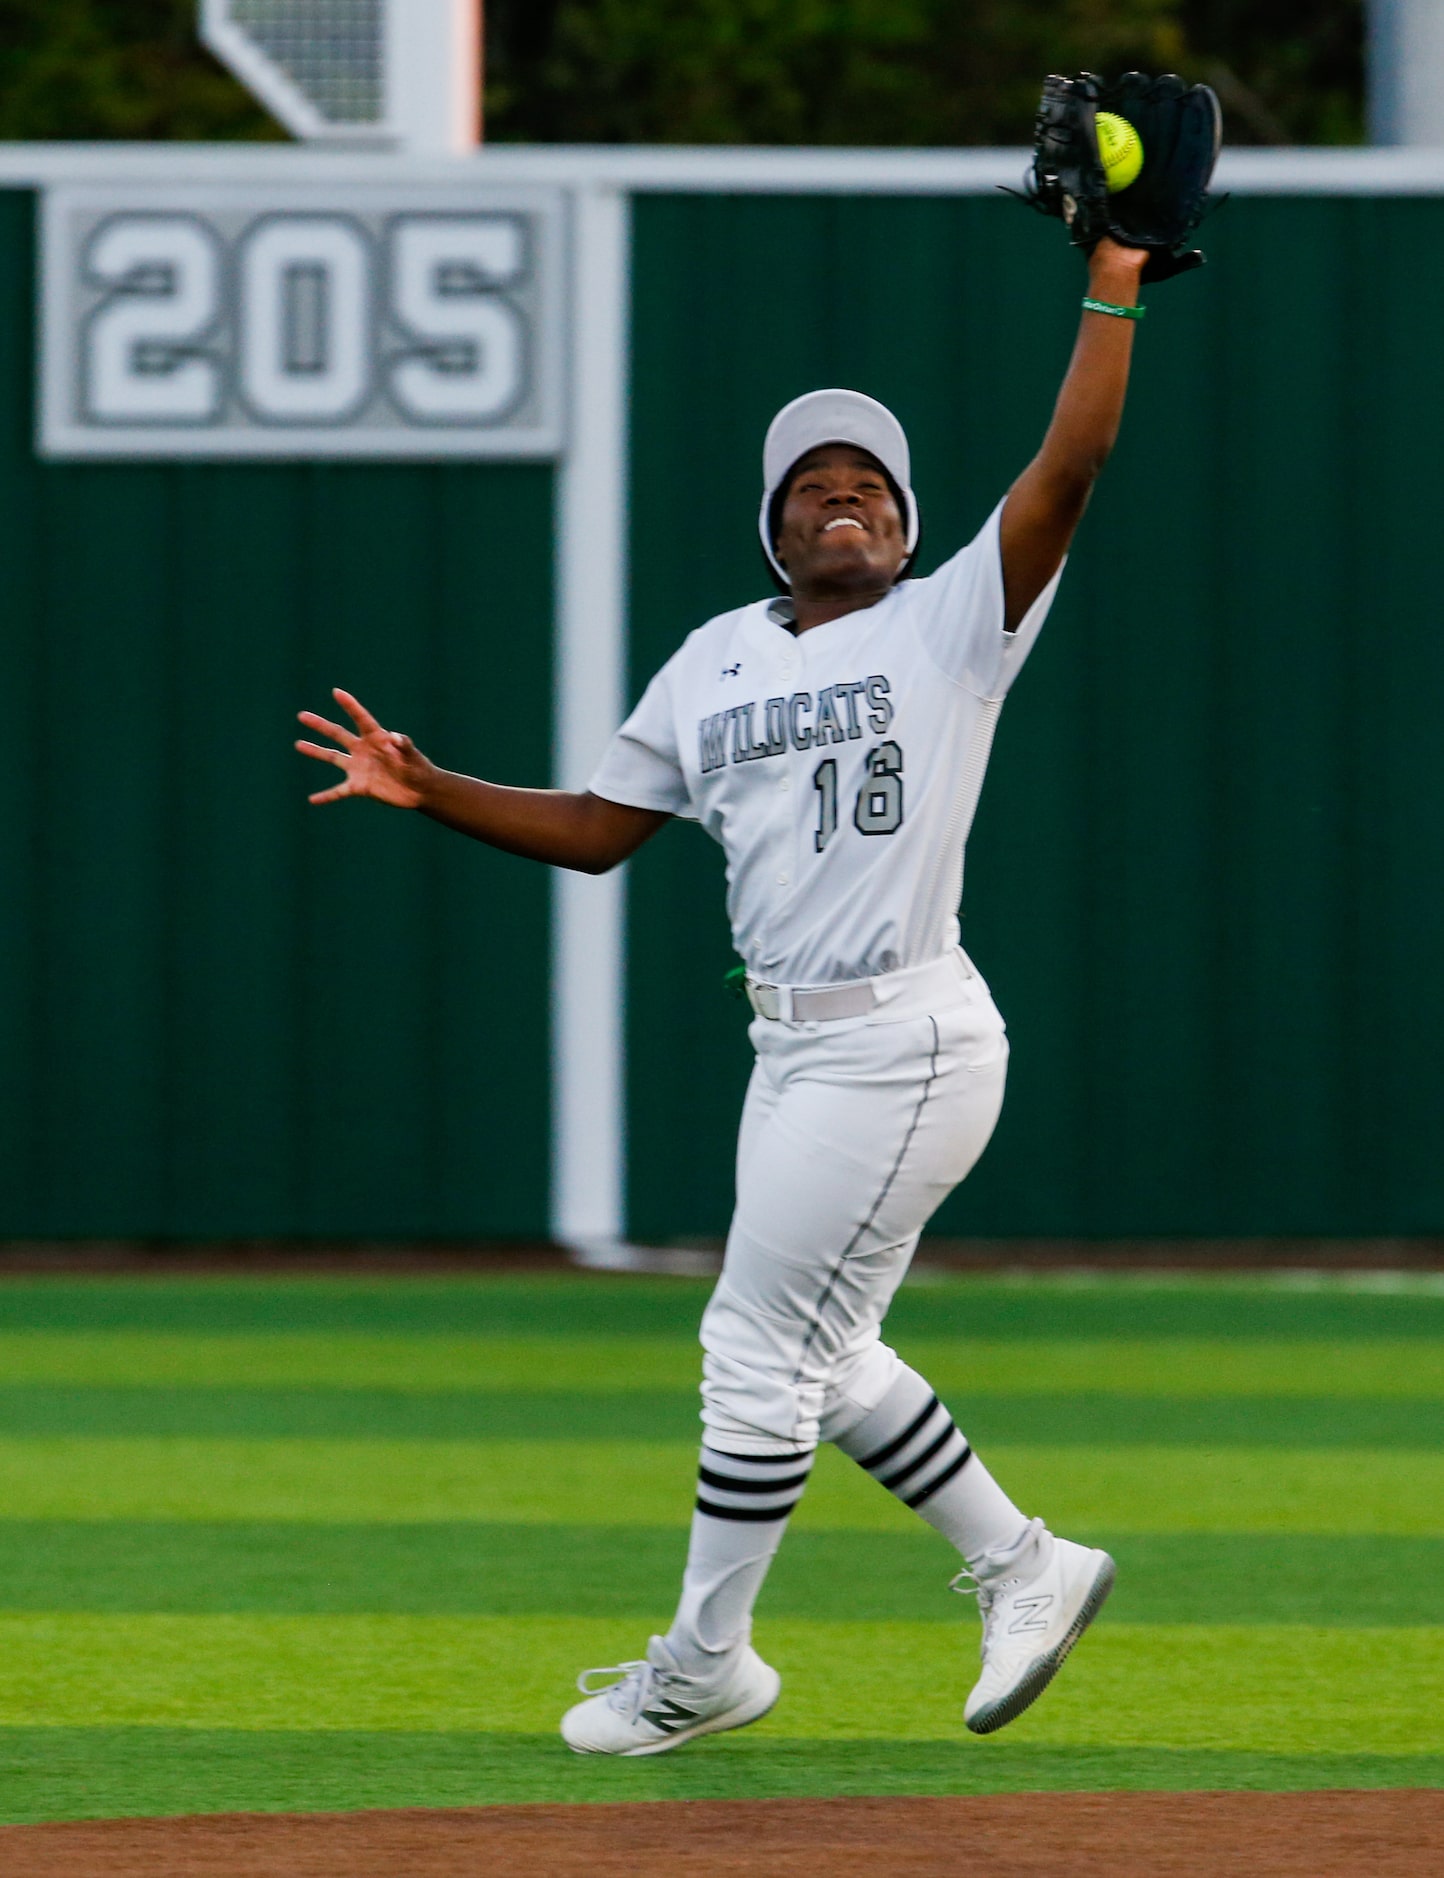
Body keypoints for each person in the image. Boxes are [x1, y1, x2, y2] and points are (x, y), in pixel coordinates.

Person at [297, 234, 1150, 1756]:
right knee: (825, 1357)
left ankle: (707, 1663)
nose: (852, 498)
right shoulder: (711, 663)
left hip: (903, 1034)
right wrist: (433, 790)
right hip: (793, 1054)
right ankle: (1027, 1562)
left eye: (876, 484)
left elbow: (1071, 464)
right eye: (819, 482)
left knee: (753, 1352)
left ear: (908, 526)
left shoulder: (955, 623)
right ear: (775, 525)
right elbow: (601, 833)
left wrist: (1116, 275)